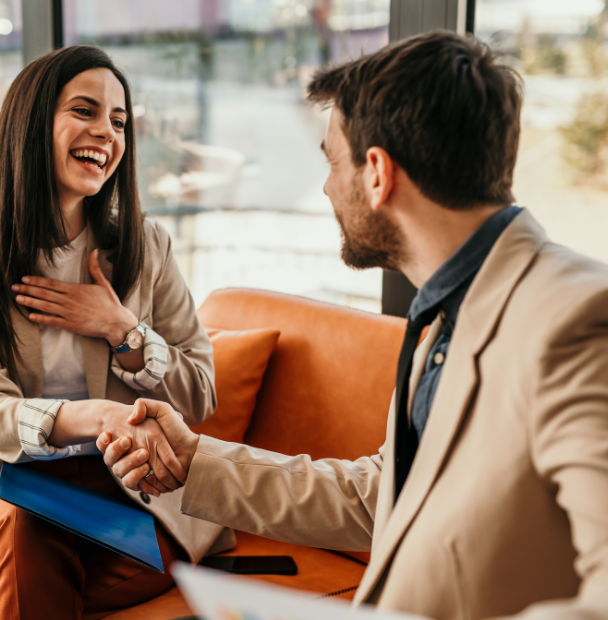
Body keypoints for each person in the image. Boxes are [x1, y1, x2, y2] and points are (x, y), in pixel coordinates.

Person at [100, 32, 608, 620]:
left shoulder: (578, 321)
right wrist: (195, 460)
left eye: (330, 160)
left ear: (376, 173)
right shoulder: (446, 316)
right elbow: (379, 499)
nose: (324, 187)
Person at [0, 46, 230, 620]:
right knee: (30, 530)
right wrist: (98, 417)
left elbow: (200, 393)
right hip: (16, 490)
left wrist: (123, 330)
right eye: (84, 111)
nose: (105, 132)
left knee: (26, 584)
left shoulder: (146, 246)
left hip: (131, 492)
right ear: (31, 124)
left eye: (118, 120)